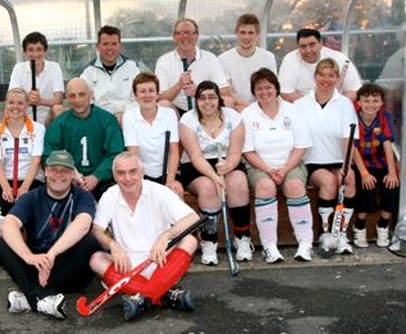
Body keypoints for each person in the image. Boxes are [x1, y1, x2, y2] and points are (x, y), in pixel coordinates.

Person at [89, 152, 199, 321]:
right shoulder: (110, 195)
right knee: (96, 259)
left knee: (190, 240)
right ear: (114, 176)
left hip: (162, 262)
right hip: (126, 267)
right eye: (121, 173)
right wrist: (112, 244)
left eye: (133, 171)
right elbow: (97, 229)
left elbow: (193, 219)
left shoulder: (159, 191)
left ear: (142, 172)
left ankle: (145, 297)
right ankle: (164, 296)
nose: (127, 178)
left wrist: (165, 236)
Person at [0, 150, 100, 320]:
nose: (58, 174)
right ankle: (43, 299)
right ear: (45, 172)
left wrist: (52, 254)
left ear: (73, 173)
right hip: (38, 264)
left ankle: (32, 296)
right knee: (2, 244)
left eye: (65, 170)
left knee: (90, 240)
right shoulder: (32, 197)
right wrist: (28, 256)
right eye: (53, 169)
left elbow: (83, 224)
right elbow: (8, 225)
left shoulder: (83, 196)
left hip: (69, 267)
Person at [241, 69, 314, 263]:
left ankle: (305, 244)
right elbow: (248, 152)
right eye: (259, 88)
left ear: (276, 88)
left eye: (268, 87)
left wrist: (284, 169)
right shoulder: (248, 114)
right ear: (253, 92)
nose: (264, 92)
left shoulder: (292, 110)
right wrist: (268, 170)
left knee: (295, 186)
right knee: (265, 186)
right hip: (259, 167)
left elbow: (301, 146)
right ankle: (269, 246)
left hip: (291, 164)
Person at [179, 81, 252, 265]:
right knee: (209, 188)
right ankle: (209, 241)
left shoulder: (233, 117)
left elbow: (236, 152)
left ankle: (242, 238)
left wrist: (228, 166)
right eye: (202, 98)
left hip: (227, 161)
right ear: (196, 101)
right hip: (198, 167)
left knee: (238, 182)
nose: (207, 102)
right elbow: (195, 156)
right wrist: (214, 176)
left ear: (219, 99)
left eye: (212, 97)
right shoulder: (187, 120)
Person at [294, 58, 359, 255]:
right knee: (329, 182)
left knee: (349, 180)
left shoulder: (345, 104)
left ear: (337, 78)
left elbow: (349, 138)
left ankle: (340, 234)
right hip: (313, 162)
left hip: (339, 160)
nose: (326, 79)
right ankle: (325, 234)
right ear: (315, 77)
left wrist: (347, 168)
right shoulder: (300, 104)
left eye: (331, 75)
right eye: (322, 75)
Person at [43, 78, 124, 200]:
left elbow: (116, 154)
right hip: (69, 181)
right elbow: (48, 155)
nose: (77, 100)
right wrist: (70, 173)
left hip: (103, 181)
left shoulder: (108, 120)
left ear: (91, 94)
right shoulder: (59, 123)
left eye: (82, 94)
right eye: (72, 96)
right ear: (66, 98)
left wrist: (96, 176)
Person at [0, 88, 46, 239]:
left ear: (27, 105)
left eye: (20, 103)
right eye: (11, 102)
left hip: (31, 179)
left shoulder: (38, 129)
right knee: (7, 209)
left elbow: (36, 160)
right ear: (5, 104)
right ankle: (5, 249)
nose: (15, 107)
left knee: (29, 205)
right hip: (5, 179)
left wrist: (25, 188)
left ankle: (35, 248)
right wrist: (6, 187)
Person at [352, 83, 399, 248]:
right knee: (367, 187)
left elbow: (387, 146)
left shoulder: (384, 117)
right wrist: (364, 173)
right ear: (359, 103)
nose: (371, 105)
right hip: (361, 164)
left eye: (375, 101)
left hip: (381, 163)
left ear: (381, 103)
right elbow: (353, 149)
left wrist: (392, 172)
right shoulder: (353, 118)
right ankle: (359, 226)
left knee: (391, 187)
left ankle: (383, 225)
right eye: (366, 101)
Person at [122, 72, 183, 198]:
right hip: (142, 175)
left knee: (176, 197)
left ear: (157, 94)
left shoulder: (169, 114)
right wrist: (141, 182)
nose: (147, 95)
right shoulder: (129, 117)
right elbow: (133, 154)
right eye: (142, 91)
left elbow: (174, 151)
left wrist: (170, 180)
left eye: (151, 90)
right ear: (135, 95)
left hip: (167, 173)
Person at [155, 18, 232, 115]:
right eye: (181, 33)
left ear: (196, 36)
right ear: (174, 37)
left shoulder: (210, 58)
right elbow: (159, 97)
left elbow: (225, 91)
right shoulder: (163, 61)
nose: (185, 36)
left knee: (228, 101)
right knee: (163, 104)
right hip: (177, 109)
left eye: (190, 32)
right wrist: (179, 85)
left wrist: (199, 92)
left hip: (205, 107)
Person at [278, 28, 362, 102]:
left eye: (312, 45)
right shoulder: (290, 60)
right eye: (303, 46)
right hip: (302, 111)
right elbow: (286, 93)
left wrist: (335, 105)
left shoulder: (340, 59)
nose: (308, 50)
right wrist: (315, 107)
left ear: (321, 43)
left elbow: (354, 91)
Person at [79, 25, 141, 123]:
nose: (110, 48)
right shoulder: (88, 72)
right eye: (105, 44)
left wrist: (126, 114)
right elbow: (86, 102)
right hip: (100, 121)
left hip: (128, 118)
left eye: (114, 44)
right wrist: (107, 118)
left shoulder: (132, 67)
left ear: (120, 46)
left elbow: (139, 96)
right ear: (98, 46)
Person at [218, 13, 277, 112]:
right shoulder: (223, 59)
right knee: (227, 101)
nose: (246, 37)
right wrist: (248, 109)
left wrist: (256, 110)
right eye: (243, 32)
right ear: (236, 32)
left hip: (263, 106)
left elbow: (271, 88)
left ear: (257, 34)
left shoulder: (268, 57)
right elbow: (227, 92)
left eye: (250, 33)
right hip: (236, 108)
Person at [8, 32, 64, 125]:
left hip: (48, 119)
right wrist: (27, 99)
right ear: (25, 51)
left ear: (44, 51)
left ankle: (56, 139)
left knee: (58, 109)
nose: (35, 54)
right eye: (30, 50)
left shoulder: (54, 67)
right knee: (8, 110)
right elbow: (11, 97)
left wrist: (40, 101)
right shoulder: (18, 68)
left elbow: (58, 99)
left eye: (39, 49)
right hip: (24, 117)